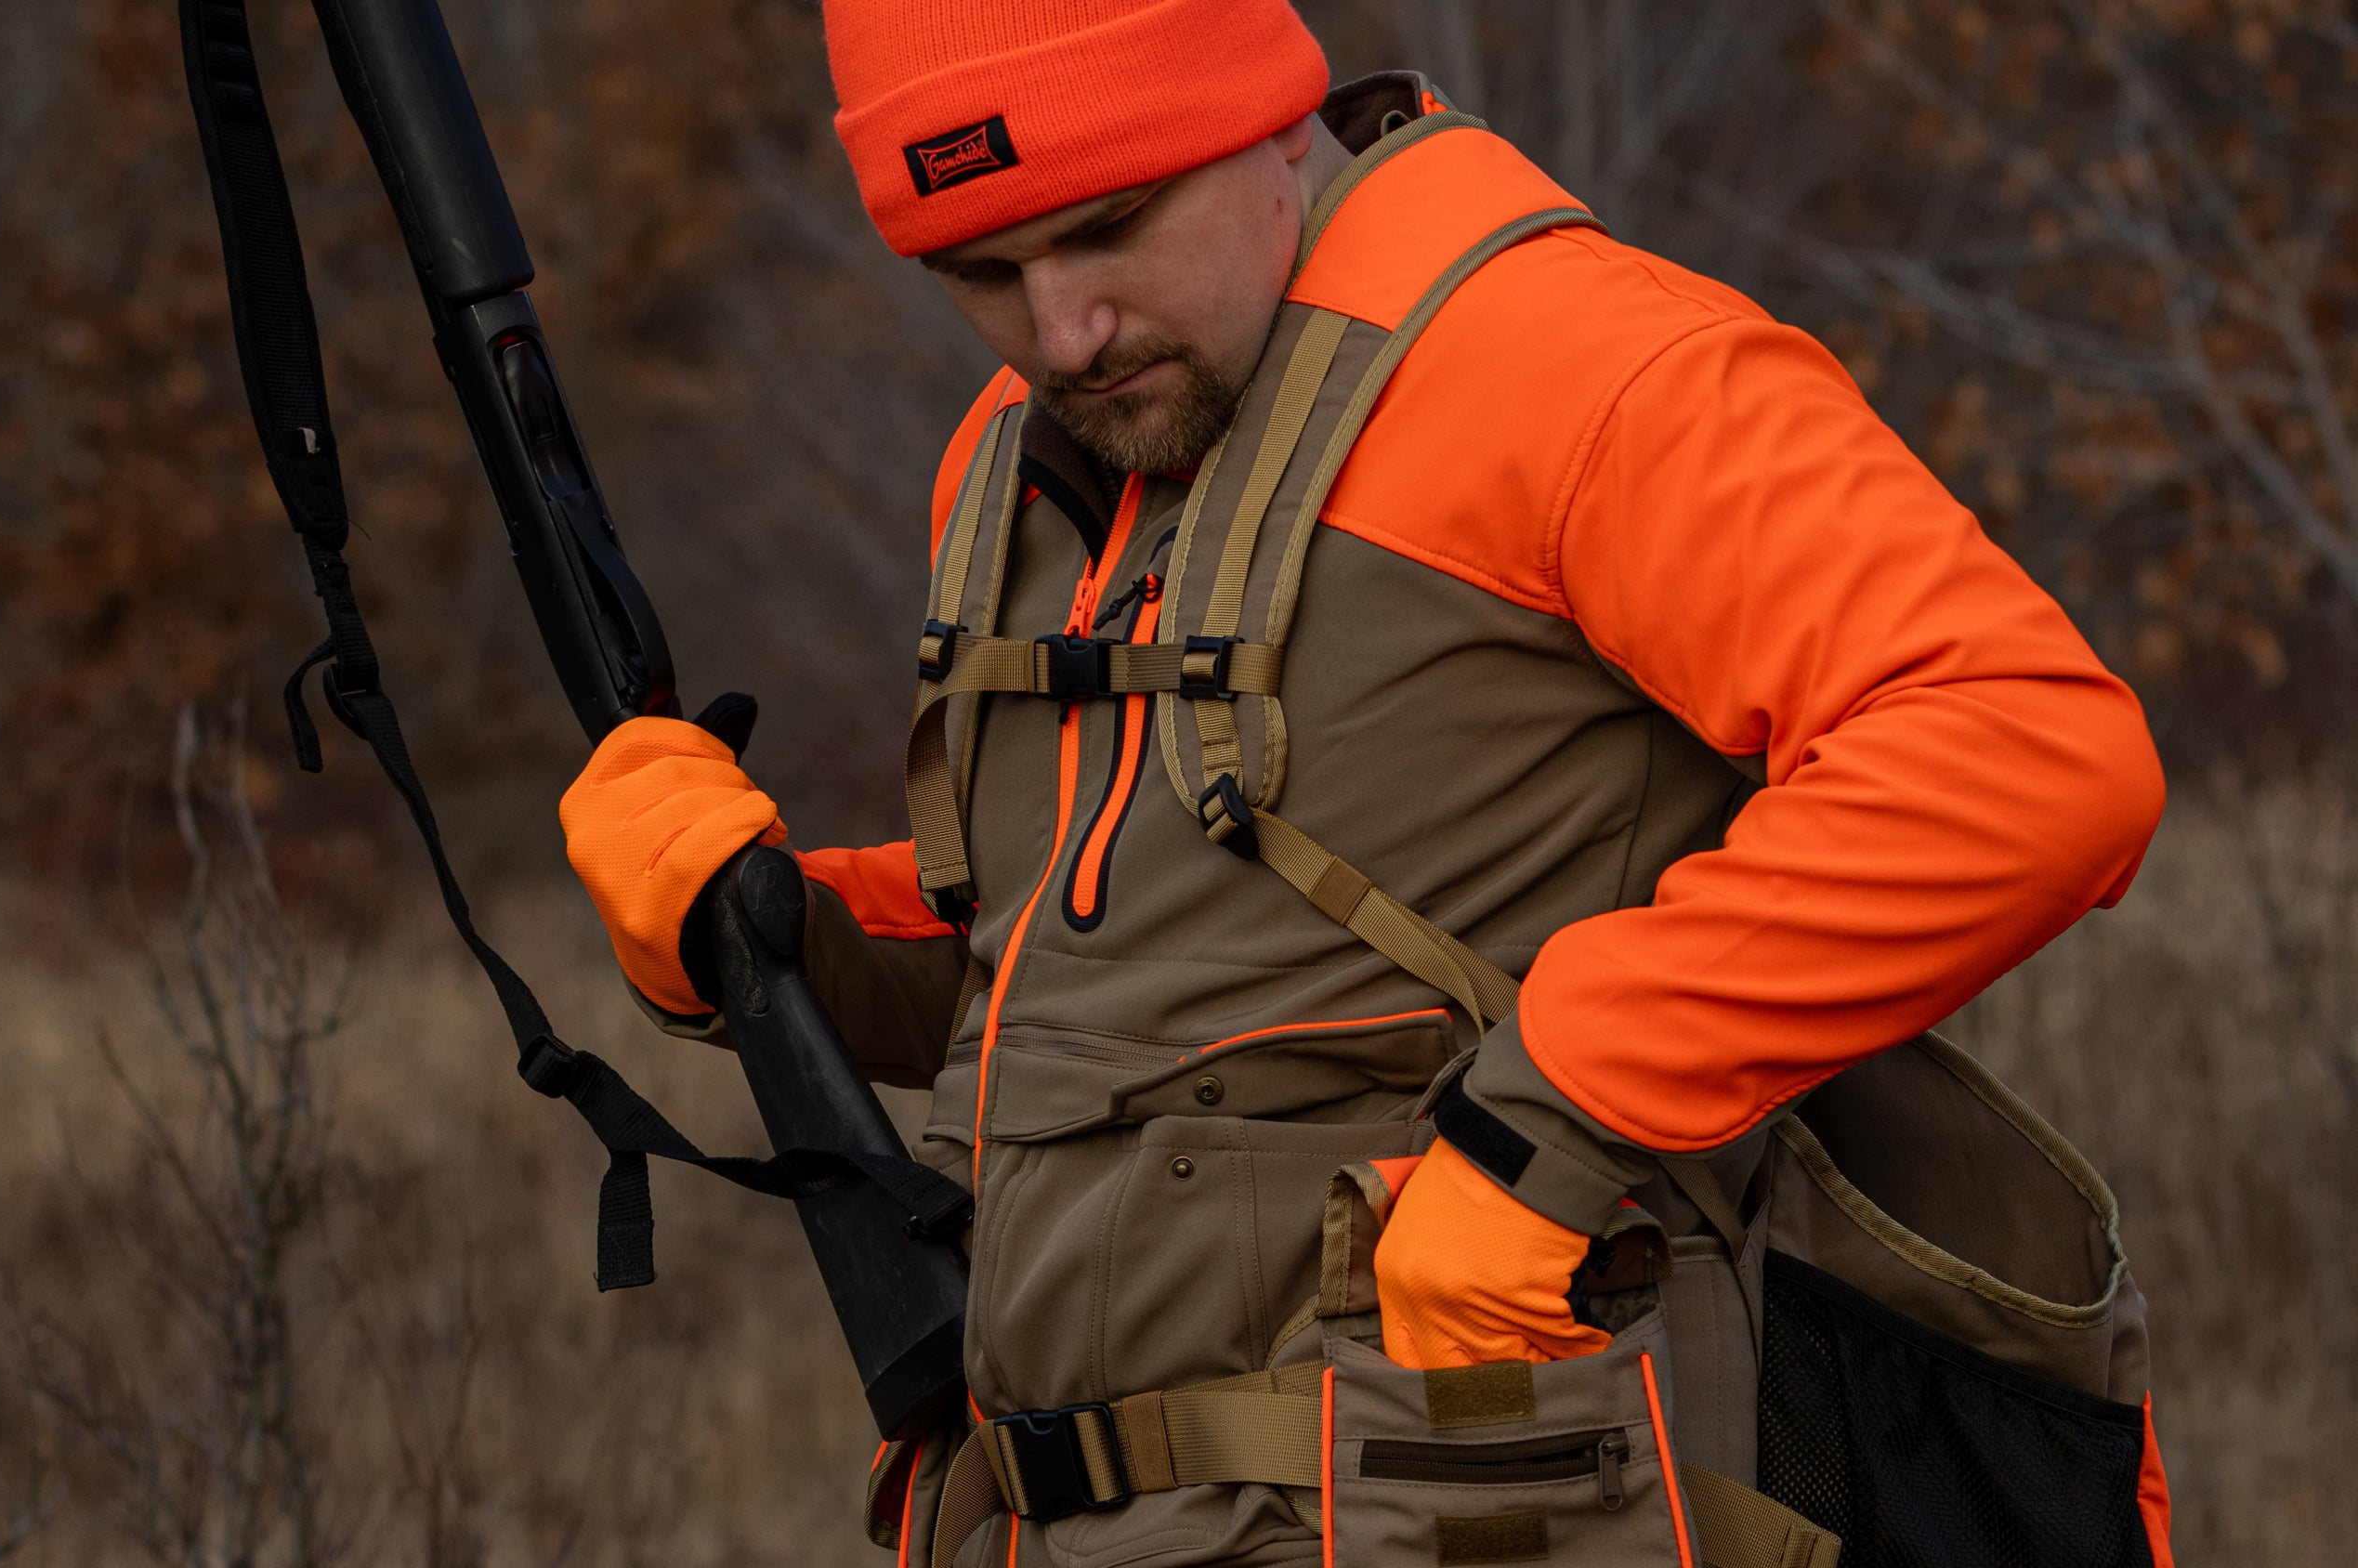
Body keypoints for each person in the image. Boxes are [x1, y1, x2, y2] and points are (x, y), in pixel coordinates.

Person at [561, 4, 2177, 1564]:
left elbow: (2029, 747)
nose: (1060, 333)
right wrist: (761, 927)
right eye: (980, 271)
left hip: (1478, 1496)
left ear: (1259, 113)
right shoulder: (1032, 454)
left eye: (1114, 225)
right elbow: (1088, 985)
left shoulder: (1575, 363)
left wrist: (1550, 1124)